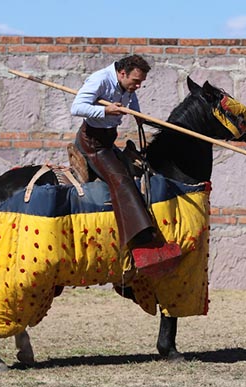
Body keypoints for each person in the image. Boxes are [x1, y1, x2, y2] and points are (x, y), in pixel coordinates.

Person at [71, 54, 181, 277]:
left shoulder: (127, 86)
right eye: (135, 81)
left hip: (108, 139)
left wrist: (138, 115)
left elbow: (131, 98)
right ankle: (140, 245)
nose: (138, 86)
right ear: (122, 73)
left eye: (141, 82)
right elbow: (77, 107)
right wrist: (105, 110)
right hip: (92, 143)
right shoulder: (99, 80)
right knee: (121, 181)